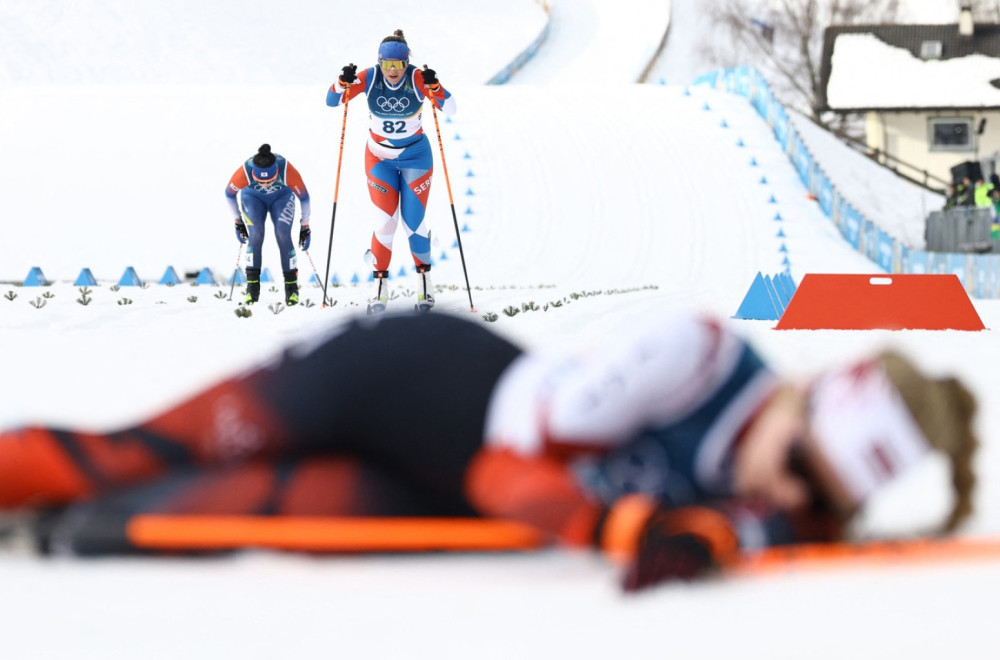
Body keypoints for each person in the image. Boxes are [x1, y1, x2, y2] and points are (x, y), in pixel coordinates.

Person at [0, 310, 977, 591]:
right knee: (130, 458)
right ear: (802, 398)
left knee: (187, 519)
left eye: (824, 498)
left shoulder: (789, 503)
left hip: (437, 496)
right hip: (409, 380)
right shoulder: (697, 355)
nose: (793, 497)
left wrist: (721, 535)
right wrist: (622, 528)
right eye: (800, 466)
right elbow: (502, 471)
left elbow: (754, 536)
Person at [326, 29, 455, 314]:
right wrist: (341, 82)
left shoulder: (417, 78)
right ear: (379, 62)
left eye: (398, 64)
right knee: (385, 223)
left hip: (415, 158)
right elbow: (333, 101)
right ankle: (379, 287)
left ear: (407, 62)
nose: (393, 71)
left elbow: (451, 108)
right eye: (387, 64)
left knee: (413, 222)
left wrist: (435, 87)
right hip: (379, 159)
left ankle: (425, 283)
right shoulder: (370, 77)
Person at [225, 144, 312, 306]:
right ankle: (252, 289)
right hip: (253, 197)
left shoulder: (287, 170)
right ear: (253, 174)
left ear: (277, 172)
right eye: (260, 181)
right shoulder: (244, 172)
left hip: (281, 197)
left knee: (283, 233)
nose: (266, 185)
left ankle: (292, 289)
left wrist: (305, 226)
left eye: (270, 181)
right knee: (256, 234)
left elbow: (304, 198)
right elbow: (229, 194)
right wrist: (238, 221)